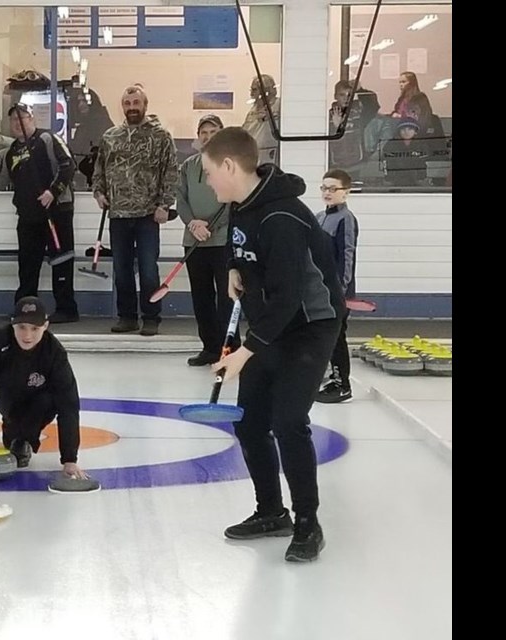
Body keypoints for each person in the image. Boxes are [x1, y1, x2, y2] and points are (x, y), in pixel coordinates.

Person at [200, 126, 345, 562]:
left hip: (310, 324)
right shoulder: (241, 204)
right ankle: (270, 511)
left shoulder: (281, 217)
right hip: (272, 321)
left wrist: (246, 352)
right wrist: (232, 267)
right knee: (249, 422)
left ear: (229, 166)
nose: (207, 182)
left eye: (209, 173)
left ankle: (307, 522)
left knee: (287, 421)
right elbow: (240, 243)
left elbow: (289, 297)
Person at [0, 296, 88, 479]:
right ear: (12, 324)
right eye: (21, 327)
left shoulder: (54, 352)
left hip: (40, 404)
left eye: (35, 328)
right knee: (12, 434)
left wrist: (69, 459)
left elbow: (68, 405)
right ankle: (13, 431)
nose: (27, 335)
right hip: (8, 399)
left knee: (48, 400)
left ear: (45, 326)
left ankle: (24, 439)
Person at [0, 104, 79, 323]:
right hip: (28, 215)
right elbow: (0, 184)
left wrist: (52, 192)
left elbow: (69, 165)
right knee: (27, 263)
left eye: (22, 118)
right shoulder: (11, 152)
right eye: (13, 120)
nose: (18, 123)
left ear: (32, 118)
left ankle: (66, 309)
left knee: (61, 260)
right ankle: (25, 308)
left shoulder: (48, 139)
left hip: (56, 212)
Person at [92, 85, 178, 336]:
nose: (132, 107)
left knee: (149, 270)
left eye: (136, 102)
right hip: (118, 215)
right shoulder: (110, 137)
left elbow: (171, 172)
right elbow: (99, 171)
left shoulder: (161, 136)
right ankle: (127, 317)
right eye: (127, 103)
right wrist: (99, 193)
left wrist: (165, 205)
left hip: (148, 216)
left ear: (145, 105)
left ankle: (151, 318)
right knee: (122, 269)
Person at [176, 114, 234, 365]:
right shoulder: (189, 165)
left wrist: (210, 226)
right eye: (204, 132)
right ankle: (209, 348)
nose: (208, 136)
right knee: (201, 299)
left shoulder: (231, 164)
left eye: (213, 131)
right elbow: (181, 199)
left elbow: (233, 200)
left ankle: (230, 350)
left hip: (220, 241)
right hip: (194, 241)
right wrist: (192, 223)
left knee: (226, 298)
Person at [315, 169, 358, 404]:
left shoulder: (346, 219)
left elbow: (346, 254)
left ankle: (343, 384)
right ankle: (330, 378)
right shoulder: (320, 216)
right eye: (324, 188)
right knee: (324, 335)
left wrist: (341, 291)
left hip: (336, 291)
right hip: (319, 290)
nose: (327, 193)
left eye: (333, 189)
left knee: (336, 336)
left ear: (346, 192)